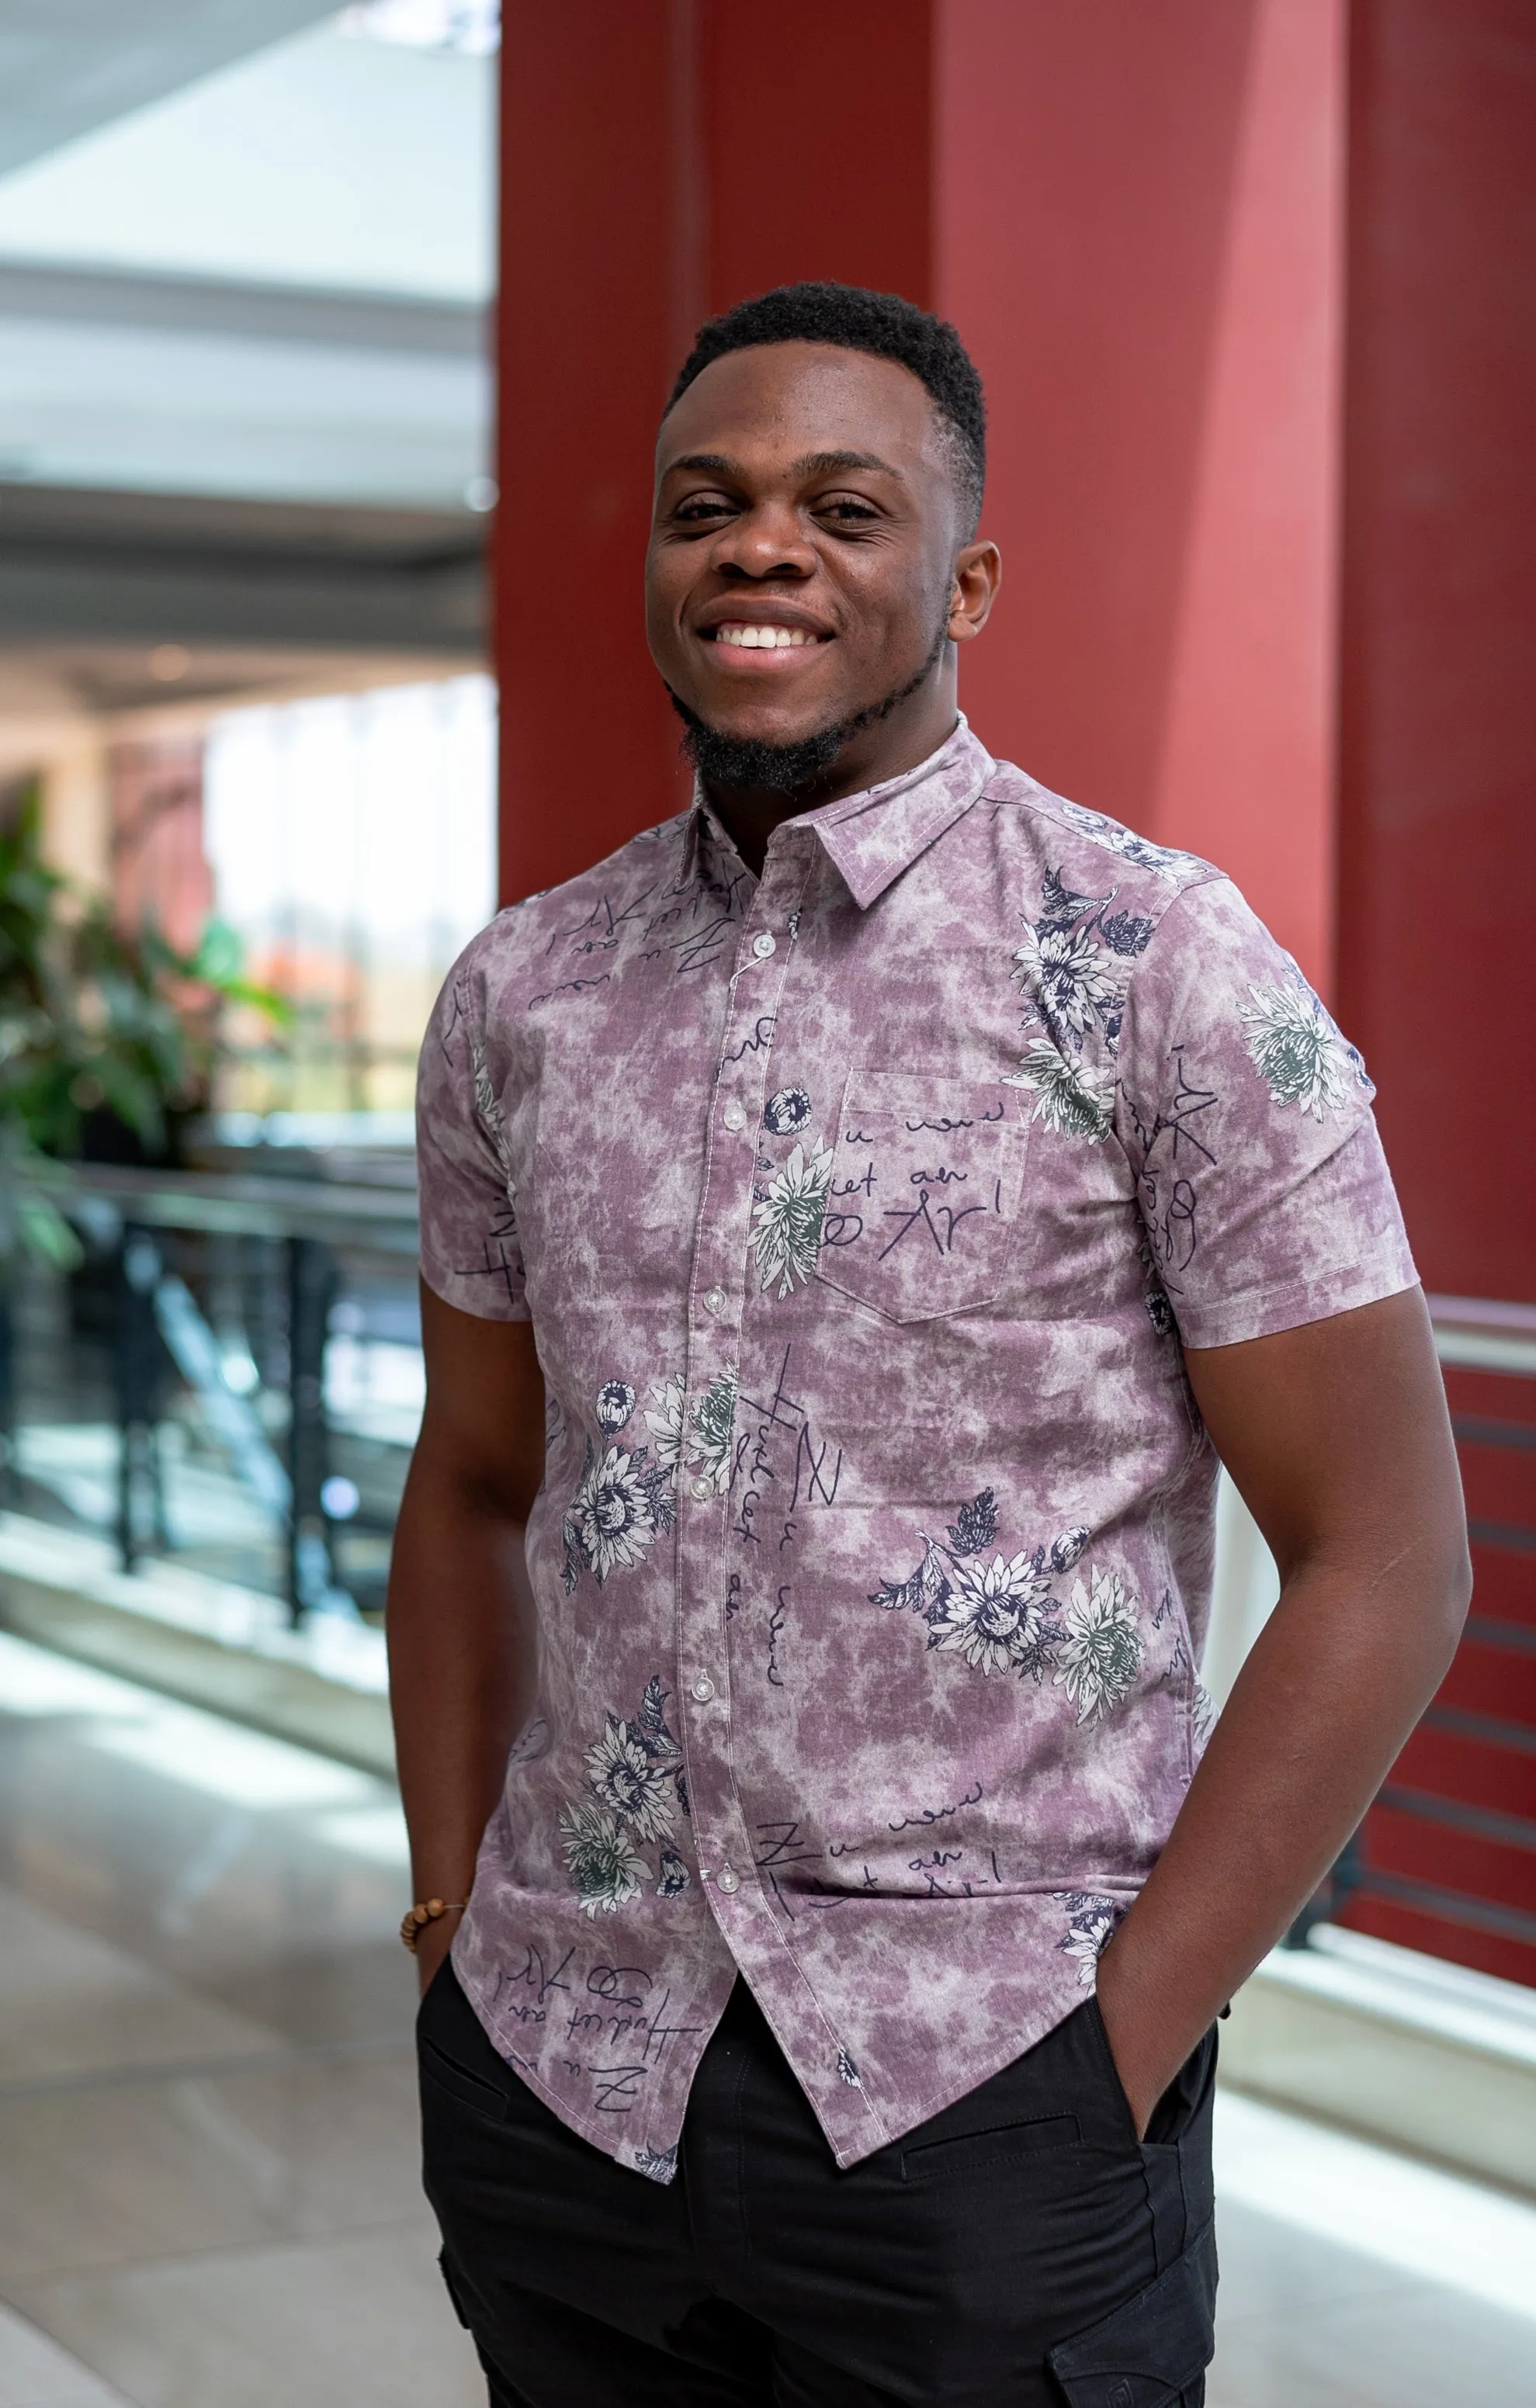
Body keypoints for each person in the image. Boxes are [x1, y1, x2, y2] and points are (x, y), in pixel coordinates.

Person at [390, 282, 1470, 2407]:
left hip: (987, 2101)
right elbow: (478, 1476)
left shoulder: (1152, 963)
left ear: (962, 576)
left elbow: (1385, 1549)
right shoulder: (522, 997)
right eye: (706, 504)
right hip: (564, 2076)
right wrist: (450, 1916)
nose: (759, 544)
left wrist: (1122, 2035)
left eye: (839, 505)